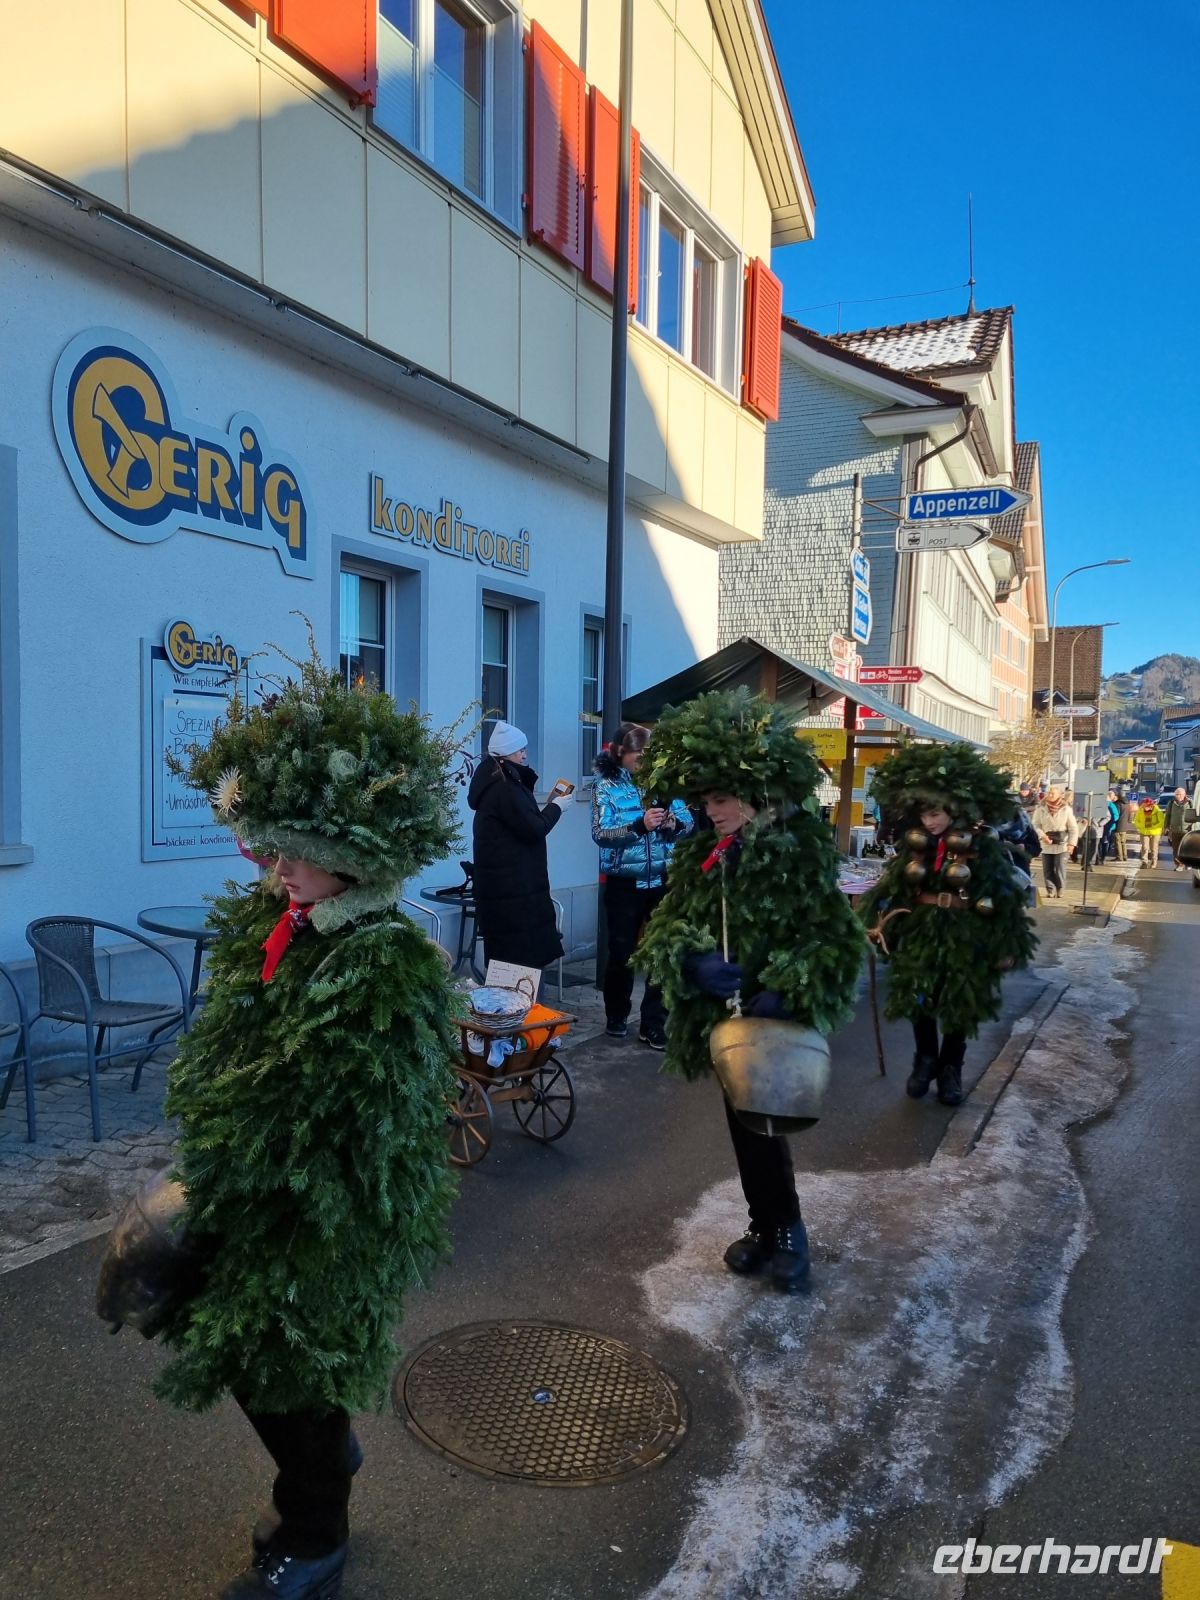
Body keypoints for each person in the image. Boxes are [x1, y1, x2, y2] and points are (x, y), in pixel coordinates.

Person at [151, 639, 464, 1599]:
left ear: (357, 853)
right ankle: (322, 1462)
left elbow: (361, 1118)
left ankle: (318, 1529)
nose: (276, 866)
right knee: (235, 1334)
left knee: (282, 1344)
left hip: (328, 1208)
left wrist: (254, 1167)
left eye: (298, 851)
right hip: (252, 1180)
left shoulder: (391, 958)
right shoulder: (275, 924)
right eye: (269, 843)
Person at [635, 689, 865, 1293]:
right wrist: (693, 961)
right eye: (705, 800)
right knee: (743, 1121)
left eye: (722, 798)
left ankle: (788, 1230)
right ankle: (764, 1227)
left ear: (755, 791)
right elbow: (662, 926)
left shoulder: (800, 851)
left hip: (775, 1018)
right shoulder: (702, 855)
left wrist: (788, 990)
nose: (711, 811)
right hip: (727, 1021)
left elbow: (836, 938)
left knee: (766, 1121)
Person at [859, 744, 1037, 1107]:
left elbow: (1001, 894)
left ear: (953, 811)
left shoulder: (981, 848)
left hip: (965, 930)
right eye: (925, 814)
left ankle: (951, 1068)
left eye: (936, 814)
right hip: (922, 928)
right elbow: (894, 889)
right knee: (919, 995)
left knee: (959, 1000)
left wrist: (1005, 941)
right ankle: (924, 1060)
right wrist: (880, 923)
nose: (930, 822)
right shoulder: (914, 849)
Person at [591, 722, 693, 1049]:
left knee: (662, 950)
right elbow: (601, 835)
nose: (644, 760)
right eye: (639, 753)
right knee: (622, 953)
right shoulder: (606, 786)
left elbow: (687, 823)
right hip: (623, 882)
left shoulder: (663, 783)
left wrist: (673, 825)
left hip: (662, 878)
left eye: (649, 754)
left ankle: (653, 1024)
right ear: (622, 752)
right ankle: (616, 1015)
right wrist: (639, 825)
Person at [468, 722, 573, 971]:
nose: (525, 755)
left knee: (509, 962)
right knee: (520, 968)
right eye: (520, 751)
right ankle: (522, 1009)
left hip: (508, 893)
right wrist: (556, 807)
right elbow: (533, 828)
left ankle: (519, 1007)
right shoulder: (505, 788)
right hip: (516, 894)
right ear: (505, 755)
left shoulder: (496, 783)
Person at [1030, 787, 1079, 899]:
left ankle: (1060, 888)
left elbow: (1073, 828)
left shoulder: (1066, 809)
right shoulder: (1040, 809)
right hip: (1046, 842)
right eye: (1049, 793)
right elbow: (1035, 825)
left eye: (1053, 793)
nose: (1050, 795)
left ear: (1059, 795)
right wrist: (1042, 836)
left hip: (1062, 843)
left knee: (1060, 868)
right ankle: (1050, 890)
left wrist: (1071, 844)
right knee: (1047, 868)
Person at [1163, 787, 1198, 871]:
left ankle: (1188, 863)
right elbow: (1168, 816)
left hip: (1187, 830)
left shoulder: (1190, 803)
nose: (1178, 796)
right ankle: (1179, 865)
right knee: (1176, 849)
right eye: (1176, 794)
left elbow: (1195, 815)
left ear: (1184, 795)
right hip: (1175, 830)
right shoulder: (1171, 803)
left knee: (1188, 849)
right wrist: (1166, 827)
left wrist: (1194, 826)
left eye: (1180, 794)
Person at [1133, 795, 1166, 869]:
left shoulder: (1157, 811)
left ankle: (1154, 862)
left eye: (1147, 806)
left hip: (1155, 832)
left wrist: (1152, 826)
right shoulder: (1140, 810)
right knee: (1145, 847)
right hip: (1144, 832)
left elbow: (1161, 822)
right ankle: (1144, 862)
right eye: (1144, 805)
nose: (1145, 807)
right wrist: (1142, 826)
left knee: (1153, 848)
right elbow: (1136, 821)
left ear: (1151, 805)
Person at [1102, 789, 1124, 863]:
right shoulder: (1109, 804)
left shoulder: (1111, 805)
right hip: (1105, 826)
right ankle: (1101, 856)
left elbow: (1116, 816)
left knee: (1105, 842)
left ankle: (1102, 856)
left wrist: (1109, 822)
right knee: (1104, 842)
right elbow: (1116, 816)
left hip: (1108, 827)